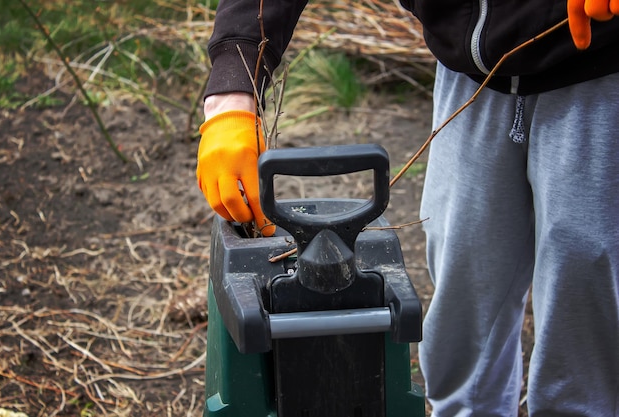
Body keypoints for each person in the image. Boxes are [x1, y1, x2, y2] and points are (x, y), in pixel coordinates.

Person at [196, 0, 619, 415]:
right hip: (470, 75)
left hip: (599, 69)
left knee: (586, 277)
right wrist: (231, 91)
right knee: (463, 270)